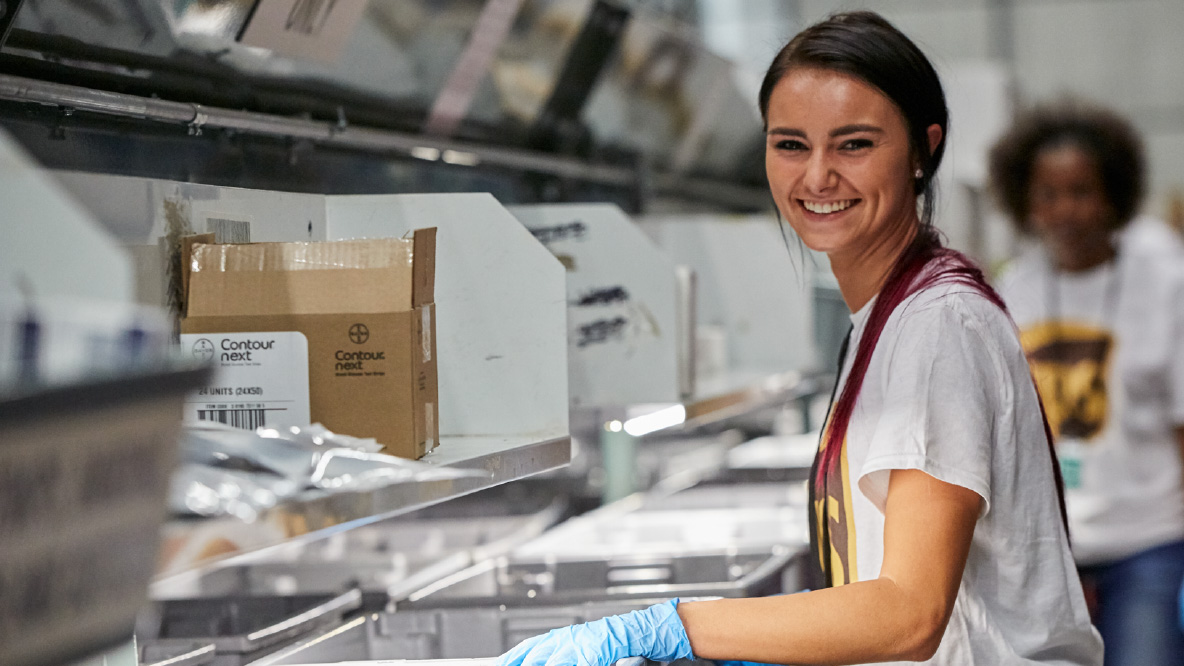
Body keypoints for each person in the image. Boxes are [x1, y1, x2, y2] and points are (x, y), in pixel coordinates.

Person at [495, 11, 1102, 666]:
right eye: (790, 145)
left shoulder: (938, 328)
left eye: (854, 144)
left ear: (924, 151)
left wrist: (671, 627)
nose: (816, 177)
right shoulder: (888, 313)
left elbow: (909, 613)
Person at [990, 100, 1184, 666]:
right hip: (1044, 548)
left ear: (1114, 196)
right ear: (1025, 202)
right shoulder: (1012, 292)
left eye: (1082, 191)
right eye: (1048, 195)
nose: (1065, 210)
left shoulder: (1165, 286)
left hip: (1146, 539)